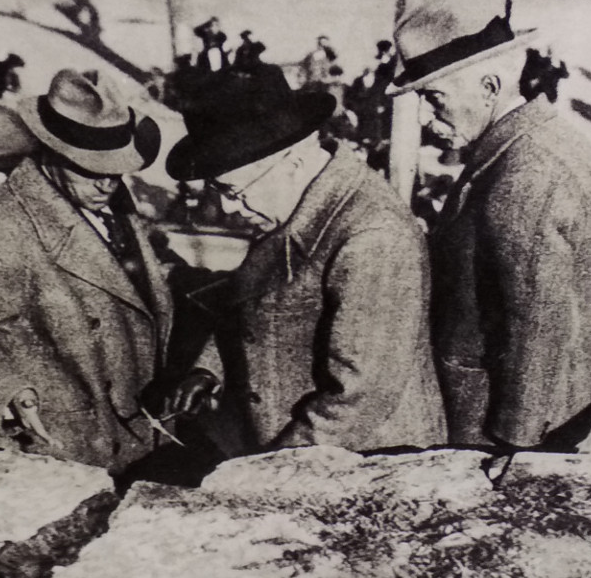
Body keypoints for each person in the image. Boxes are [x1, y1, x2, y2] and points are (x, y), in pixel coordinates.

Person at [163, 63, 446, 458]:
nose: (228, 207)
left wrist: (271, 471)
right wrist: (211, 366)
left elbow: (358, 398)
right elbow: (262, 305)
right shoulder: (291, 200)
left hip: (356, 464)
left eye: (233, 190)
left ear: (293, 163)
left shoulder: (372, 236)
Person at [387, 0, 591, 451]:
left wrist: (512, 447)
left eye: (434, 97)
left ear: (489, 87)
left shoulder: (526, 176)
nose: (425, 116)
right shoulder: (538, 137)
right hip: (534, 402)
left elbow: (537, 327)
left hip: (497, 420)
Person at [0, 69, 185, 475]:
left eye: (116, 168)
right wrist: (9, 389)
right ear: (52, 154)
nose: (108, 183)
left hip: (144, 422)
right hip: (74, 438)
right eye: (91, 168)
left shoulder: (106, 197)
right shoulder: (2, 223)